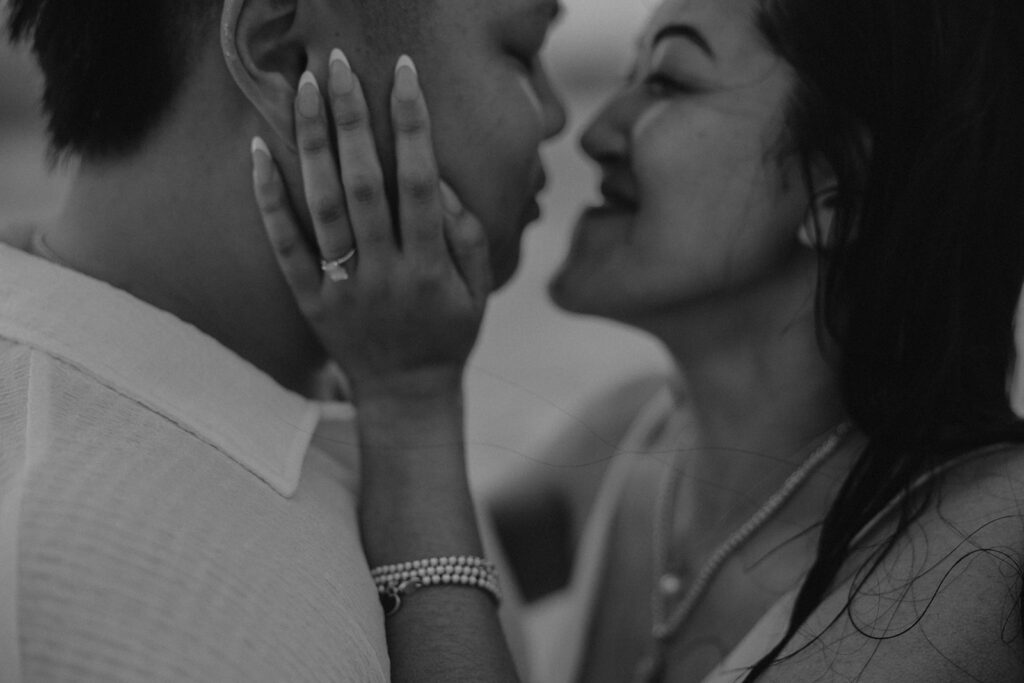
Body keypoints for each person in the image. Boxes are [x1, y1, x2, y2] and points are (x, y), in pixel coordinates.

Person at [253, 0, 1024, 680]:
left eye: (669, 81)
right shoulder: (632, 443)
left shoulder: (992, 535)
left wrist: (412, 397)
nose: (591, 133)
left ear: (838, 189)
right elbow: (352, 555)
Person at [0, 0, 564, 680]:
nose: (561, 114)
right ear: (283, 57)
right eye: (523, 52)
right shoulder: (69, 587)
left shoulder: (363, 357)